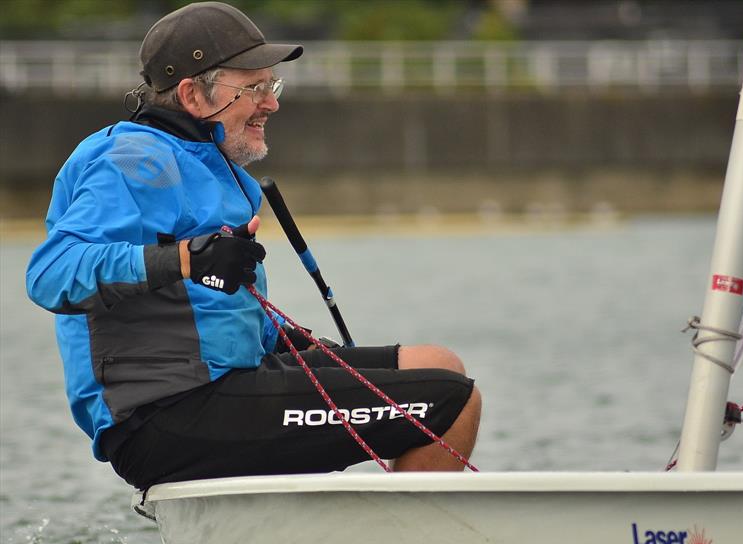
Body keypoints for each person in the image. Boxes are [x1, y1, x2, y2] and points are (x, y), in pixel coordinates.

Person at [26, 1, 480, 490]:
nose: (272, 103)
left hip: (227, 383)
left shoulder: (214, 165)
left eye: (272, 85)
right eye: (255, 88)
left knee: (438, 365)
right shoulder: (136, 159)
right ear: (192, 95)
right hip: (167, 414)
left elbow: (210, 316)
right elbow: (51, 274)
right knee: (452, 401)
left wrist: (291, 340)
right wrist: (186, 259)